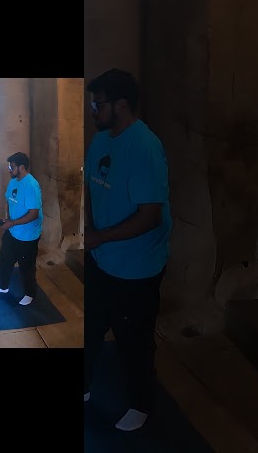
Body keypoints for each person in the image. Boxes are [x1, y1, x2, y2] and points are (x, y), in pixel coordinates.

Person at [83, 68, 172, 432]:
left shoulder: (145, 147)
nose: (92, 110)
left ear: (121, 105)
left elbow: (150, 216)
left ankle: (141, 403)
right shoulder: (101, 139)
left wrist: (99, 238)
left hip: (137, 267)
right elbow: (91, 186)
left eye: (97, 104)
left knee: (133, 340)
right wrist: (90, 231)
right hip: (102, 258)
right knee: (89, 328)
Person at [0, 152, 43, 306]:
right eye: (9, 166)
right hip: (12, 231)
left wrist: (12, 223)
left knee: (26, 267)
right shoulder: (13, 181)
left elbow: (33, 214)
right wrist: (7, 218)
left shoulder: (31, 185)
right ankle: (2, 286)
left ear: (22, 167)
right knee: (4, 259)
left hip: (28, 236)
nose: (9, 169)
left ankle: (30, 294)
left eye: (11, 167)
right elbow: (8, 201)